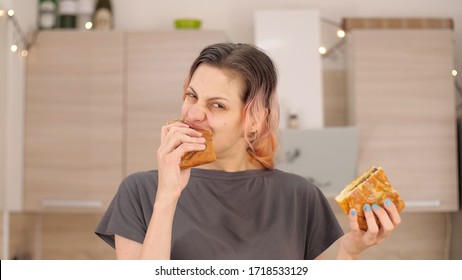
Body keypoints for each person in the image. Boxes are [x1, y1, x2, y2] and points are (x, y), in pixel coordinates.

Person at [95, 43, 401, 260]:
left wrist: (350, 252)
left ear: (254, 120)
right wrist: (168, 194)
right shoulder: (141, 191)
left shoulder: (299, 196)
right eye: (192, 96)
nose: (194, 114)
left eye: (217, 105)